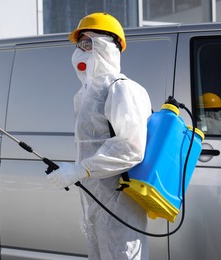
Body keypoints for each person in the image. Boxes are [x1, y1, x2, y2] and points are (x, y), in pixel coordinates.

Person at [47, 13, 152, 259]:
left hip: (121, 203)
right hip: (95, 201)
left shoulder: (122, 89)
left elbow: (130, 147)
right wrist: (75, 172)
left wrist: (80, 170)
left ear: (108, 46)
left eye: (88, 43)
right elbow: (88, 146)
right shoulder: (82, 97)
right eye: (79, 44)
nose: (81, 51)